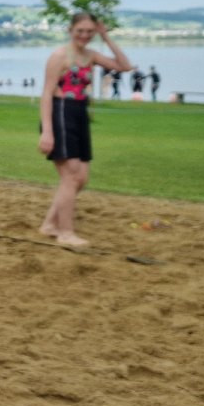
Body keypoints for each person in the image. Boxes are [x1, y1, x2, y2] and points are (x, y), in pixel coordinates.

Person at [38, 13, 131, 247]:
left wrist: (106, 36)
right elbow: (47, 94)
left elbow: (124, 66)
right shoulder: (59, 56)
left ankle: (50, 224)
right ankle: (65, 233)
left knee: (81, 179)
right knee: (70, 176)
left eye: (90, 31)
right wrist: (47, 132)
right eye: (80, 30)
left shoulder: (91, 56)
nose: (85, 36)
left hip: (80, 114)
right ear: (70, 30)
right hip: (60, 113)